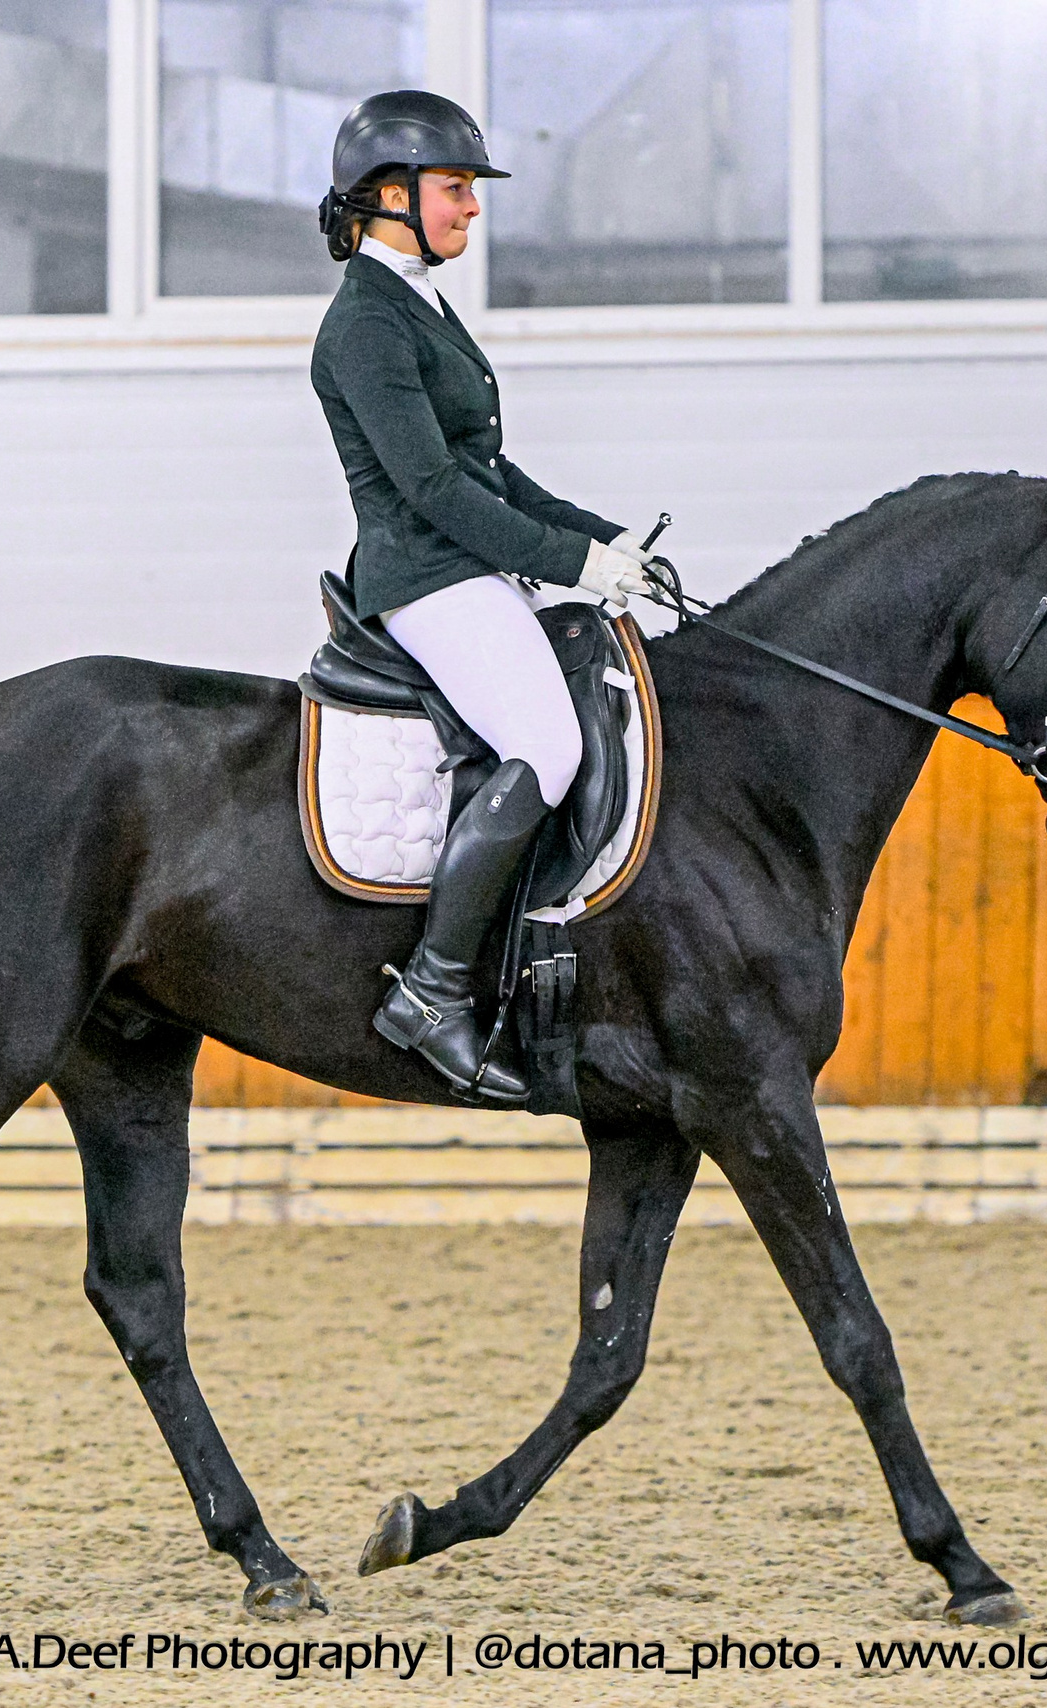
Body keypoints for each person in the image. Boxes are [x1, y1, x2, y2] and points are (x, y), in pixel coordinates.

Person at [311, 89, 656, 1103]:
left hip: (467, 563)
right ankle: (431, 989)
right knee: (547, 746)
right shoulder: (365, 325)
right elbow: (432, 489)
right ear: (387, 195)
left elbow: (493, 472)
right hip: (424, 576)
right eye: (454, 188)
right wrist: (571, 565)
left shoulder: (417, 300)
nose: (470, 207)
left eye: (468, 189)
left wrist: (603, 540)